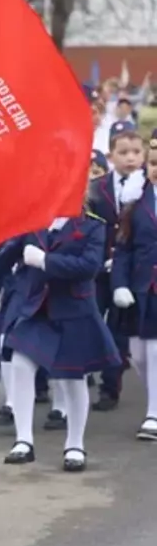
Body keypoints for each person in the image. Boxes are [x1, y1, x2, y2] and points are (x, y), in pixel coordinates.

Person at [0, 176, 121, 471]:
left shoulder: (92, 225)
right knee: (20, 363)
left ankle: (75, 444)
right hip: (38, 309)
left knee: (72, 378)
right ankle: (24, 440)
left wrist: (45, 261)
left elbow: (88, 267)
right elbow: (4, 254)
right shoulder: (34, 222)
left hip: (74, 310)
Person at [109, 135, 157, 442]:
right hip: (141, 286)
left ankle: (153, 412)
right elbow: (124, 247)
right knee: (138, 354)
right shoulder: (137, 199)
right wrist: (119, 284)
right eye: (153, 163)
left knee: (154, 349)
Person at [92, 127, 144, 410]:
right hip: (97, 270)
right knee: (93, 321)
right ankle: (84, 371)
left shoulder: (147, 189)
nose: (130, 158)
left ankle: (110, 387)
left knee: (119, 330)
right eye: (123, 153)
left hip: (129, 272)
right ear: (111, 156)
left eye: (136, 152)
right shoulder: (97, 188)